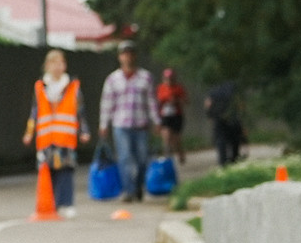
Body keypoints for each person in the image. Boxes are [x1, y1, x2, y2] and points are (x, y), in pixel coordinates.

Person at [22, 48, 89, 217]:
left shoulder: (72, 86)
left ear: (64, 65)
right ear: (47, 66)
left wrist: (84, 131)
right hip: (46, 138)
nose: (57, 67)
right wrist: (29, 132)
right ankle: (50, 203)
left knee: (65, 170)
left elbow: (80, 111)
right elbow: (34, 112)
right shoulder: (40, 87)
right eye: (53, 63)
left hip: (65, 137)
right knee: (47, 171)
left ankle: (66, 203)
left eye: (60, 63)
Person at [99, 43, 156, 204]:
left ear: (135, 56)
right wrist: (103, 124)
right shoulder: (112, 79)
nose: (127, 57)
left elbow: (151, 102)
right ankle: (128, 190)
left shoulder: (146, 77)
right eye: (124, 54)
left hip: (141, 124)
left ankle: (139, 186)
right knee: (124, 158)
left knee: (142, 159)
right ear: (119, 57)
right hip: (120, 124)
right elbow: (107, 103)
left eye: (130, 53)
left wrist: (156, 121)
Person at [204, 80, 246, 167]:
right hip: (232, 118)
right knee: (235, 139)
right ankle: (234, 160)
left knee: (220, 140)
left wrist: (209, 116)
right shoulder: (234, 89)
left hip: (218, 118)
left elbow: (208, 104)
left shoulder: (214, 90)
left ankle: (222, 163)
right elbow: (240, 104)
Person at [156, 65, 190, 167]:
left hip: (176, 116)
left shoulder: (178, 88)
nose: (169, 80)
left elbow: (187, 101)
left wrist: (176, 101)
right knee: (166, 136)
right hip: (165, 116)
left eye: (171, 78)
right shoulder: (160, 88)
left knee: (176, 139)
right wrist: (164, 101)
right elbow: (156, 101)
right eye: (167, 79)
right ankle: (167, 157)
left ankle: (180, 154)